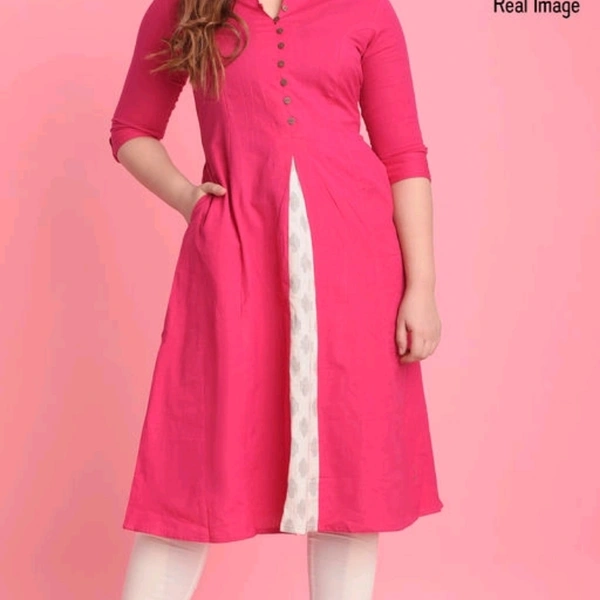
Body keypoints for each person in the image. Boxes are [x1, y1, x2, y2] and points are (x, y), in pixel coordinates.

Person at [109, 0, 444, 598]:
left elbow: (403, 156)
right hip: (233, 261)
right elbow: (131, 129)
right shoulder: (186, 7)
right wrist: (188, 199)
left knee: (352, 480)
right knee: (189, 474)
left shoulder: (365, 10)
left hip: (356, 268)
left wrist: (422, 286)